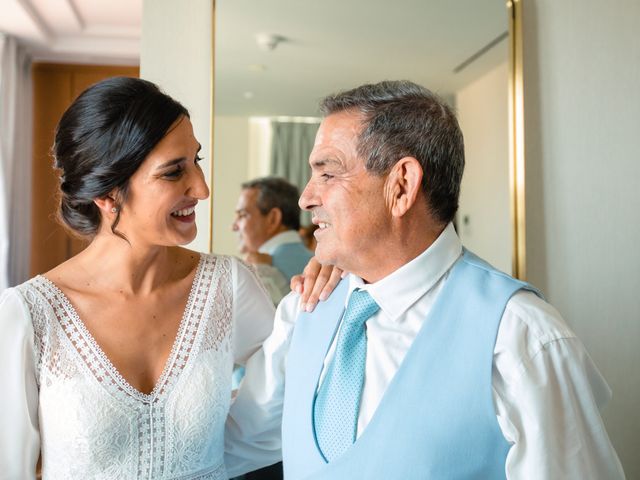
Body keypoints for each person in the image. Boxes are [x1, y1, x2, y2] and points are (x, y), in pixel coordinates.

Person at [225, 81, 626, 479]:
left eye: (328, 174)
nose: (305, 197)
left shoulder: (521, 338)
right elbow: (229, 447)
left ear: (401, 185)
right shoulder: (304, 309)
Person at [0, 77, 281, 479]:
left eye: (196, 160)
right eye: (173, 172)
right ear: (108, 193)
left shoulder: (228, 287)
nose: (201, 189)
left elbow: (290, 402)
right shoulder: (29, 316)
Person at [232, 177, 313, 304]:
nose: (233, 226)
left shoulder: (259, 271)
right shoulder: (318, 261)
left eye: (242, 215)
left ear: (273, 219)